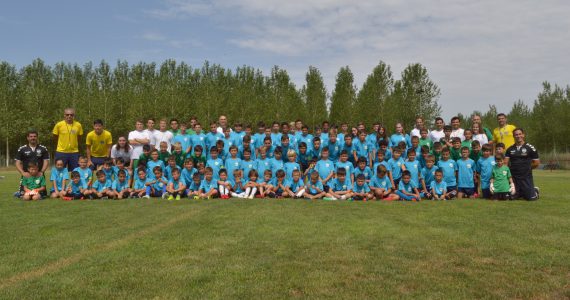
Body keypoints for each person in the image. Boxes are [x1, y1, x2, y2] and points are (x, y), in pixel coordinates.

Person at [504, 128, 540, 200]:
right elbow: (505, 163)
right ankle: (520, 192)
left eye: (520, 134)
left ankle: (535, 190)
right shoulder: (510, 149)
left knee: (531, 198)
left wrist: (527, 168)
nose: (518, 136)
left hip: (526, 176)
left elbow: (536, 163)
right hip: (514, 176)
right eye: (516, 135)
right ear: (514, 136)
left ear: (523, 135)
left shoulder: (530, 148)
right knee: (511, 197)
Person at [14, 130, 50, 197]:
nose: (33, 138)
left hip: (39, 175)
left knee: (42, 195)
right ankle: (19, 192)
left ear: (37, 137)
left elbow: (46, 161)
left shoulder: (43, 148)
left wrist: (41, 172)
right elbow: (17, 162)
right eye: (31, 136)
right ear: (27, 138)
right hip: (26, 175)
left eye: (34, 136)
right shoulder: (22, 149)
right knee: (23, 195)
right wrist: (23, 173)